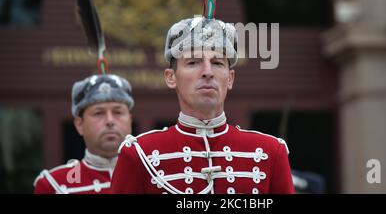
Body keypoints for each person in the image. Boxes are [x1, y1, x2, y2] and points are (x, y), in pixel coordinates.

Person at [110, 17, 295, 194]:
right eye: (193, 63)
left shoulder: (271, 151)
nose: (207, 72)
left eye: (217, 63)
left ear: (230, 78)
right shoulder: (138, 153)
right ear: (171, 77)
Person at [33, 74, 134, 194]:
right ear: (79, 124)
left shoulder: (153, 173)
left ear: (130, 120)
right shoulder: (53, 184)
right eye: (98, 113)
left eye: (118, 112)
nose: (110, 121)